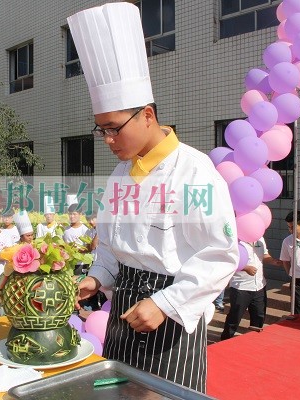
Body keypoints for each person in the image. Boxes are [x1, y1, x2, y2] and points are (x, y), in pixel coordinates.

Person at [68, 3, 238, 392]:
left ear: (147, 114)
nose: (108, 140)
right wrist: (97, 278)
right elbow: (110, 244)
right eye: (101, 131)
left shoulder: (194, 172)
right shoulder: (120, 175)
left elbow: (220, 254)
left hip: (172, 318)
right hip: (122, 310)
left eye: (114, 129)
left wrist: (165, 304)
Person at [220, 238, 281, 340]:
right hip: (241, 287)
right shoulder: (235, 240)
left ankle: (254, 341)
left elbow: (264, 255)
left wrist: (274, 261)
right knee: (234, 317)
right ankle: (225, 340)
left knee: (259, 317)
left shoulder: (260, 239)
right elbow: (229, 260)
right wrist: (245, 268)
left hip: (259, 286)